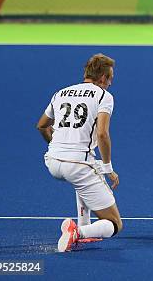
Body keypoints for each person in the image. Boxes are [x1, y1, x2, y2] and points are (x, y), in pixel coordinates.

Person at [36, 53, 122, 252]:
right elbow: (102, 134)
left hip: (53, 162)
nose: (110, 84)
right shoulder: (103, 96)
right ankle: (78, 233)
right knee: (115, 223)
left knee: (85, 174)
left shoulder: (61, 93)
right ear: (102, 78)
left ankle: (84, 225)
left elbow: (41, 126)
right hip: (78, 165)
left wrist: (56, 145)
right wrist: (108, 167)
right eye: (110, 79)